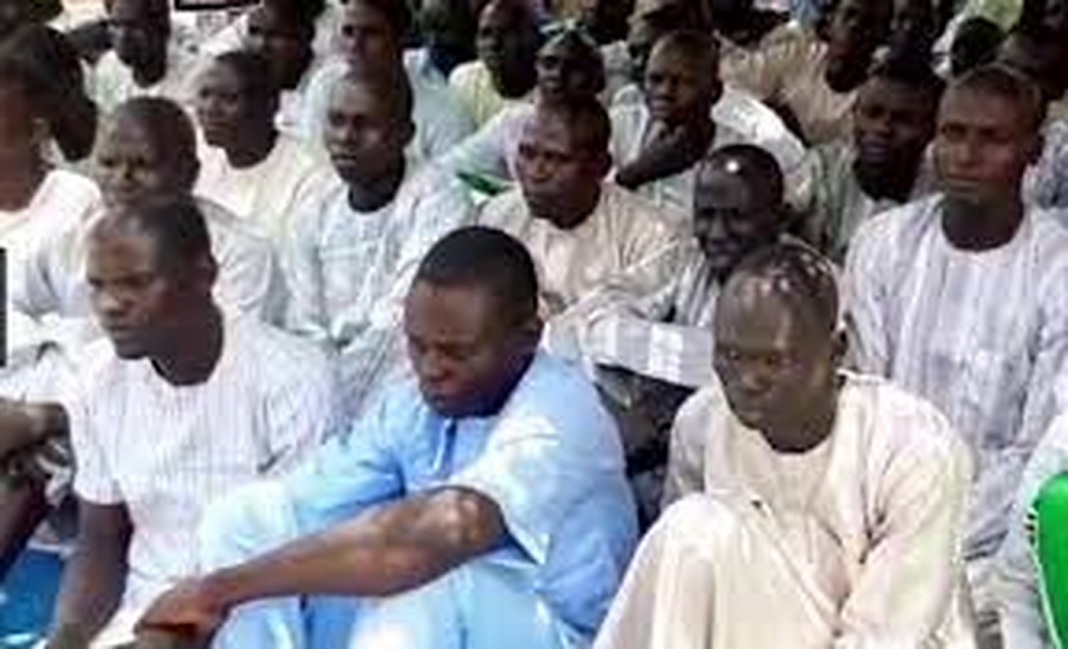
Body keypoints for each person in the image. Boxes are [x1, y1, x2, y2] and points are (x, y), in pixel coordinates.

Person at [136, 226, 638, 649]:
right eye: (418, 346)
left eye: (456, 352)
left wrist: (218, 589)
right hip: (428, 625)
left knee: (421, 584)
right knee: (244, 518)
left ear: (527, 336)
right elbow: (303, 508)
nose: (431, 368)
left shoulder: (560, 417)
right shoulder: (414, 403)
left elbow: (438, 535)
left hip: (558, 632)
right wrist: (213, 593)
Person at [596, 242, 975, 649]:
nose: (745, 380)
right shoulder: (703, 423)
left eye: (772, 361)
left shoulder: (914, 448)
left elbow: (888, 633)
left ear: (836, 350)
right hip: (758, 630)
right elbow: (680, 588)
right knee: (689, 531)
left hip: (895, 637)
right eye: (730, 355)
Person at [42, 196, 336, 648]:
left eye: (135, 283)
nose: (109, 305)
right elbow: (101, 539)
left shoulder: (292, 377)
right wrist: (67, 639)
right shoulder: (95, 379)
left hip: (259, 606)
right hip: (142, 609)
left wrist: (166, 639)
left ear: (204, 275)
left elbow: (294, 557)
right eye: (97, 286)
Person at [844, 64, 1068, 639]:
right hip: (875, 511)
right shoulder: (883, 244)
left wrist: (926, 538)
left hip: (996, 546)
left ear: (1034, 150)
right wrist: (886, 530)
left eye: (993, 139)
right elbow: (864, 404)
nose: (966, 155)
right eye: (953, 133)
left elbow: (1038, 454)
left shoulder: (1058, 271)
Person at [285, 69, 474, 417]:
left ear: (405, 134)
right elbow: (303, 322)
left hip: (413, 386)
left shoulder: (439, 197)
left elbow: (401, 321)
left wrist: (334, 402)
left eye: (364, 124)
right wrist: (316, 395)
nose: (345, 137)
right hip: (321, 389)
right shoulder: (315, 203)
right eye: (336, 121)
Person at [18, 97, 280, 327]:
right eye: (108, 163)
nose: (122, 178)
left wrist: (64, 337)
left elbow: (219, 351)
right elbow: (13, 314)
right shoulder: (69, 237)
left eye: (143, 164)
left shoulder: (241, 254)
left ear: (189, 173)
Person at [479, 96, 689, 360]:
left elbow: (620, 329)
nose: (535, 172)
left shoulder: (653, 234)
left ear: (601, 166)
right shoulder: (499, 215)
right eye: (527, 153)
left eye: (555, 159)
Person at [582, 145, 796, 392]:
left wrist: (641, 354)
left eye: (737, 217)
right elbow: (596, 317)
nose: (717, 232)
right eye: (706, 215)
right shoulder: (689, 257)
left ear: (781, 219)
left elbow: (747, 372)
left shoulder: (807, 290)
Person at [611, 30, 803, 214]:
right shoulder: (620, 125)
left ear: (715, 92)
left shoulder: (744, 145)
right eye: (655, 80)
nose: (664, 92)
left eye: (683, 82)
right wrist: (638, 171)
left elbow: (788, 206)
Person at [802, 50, 943, 262]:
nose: (883, 128)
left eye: (903, 120)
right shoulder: (817, 169)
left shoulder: (940, 201)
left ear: (931, 130)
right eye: (872, 113)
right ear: (854, 113)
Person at [300, 0, 475, 165]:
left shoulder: (445, 111)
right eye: (348, 32)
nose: (355, 44)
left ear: (401, 38)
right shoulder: (325, 84)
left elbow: (450, 181)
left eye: (371, 33)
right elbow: (311, 164)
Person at [440, 28, 606, 194]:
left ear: (596, 78)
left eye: (574, 67)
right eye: (549, 64)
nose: (557, 74)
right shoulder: (515, 120)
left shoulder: (613, 126)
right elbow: (451, 166)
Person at [193, 50, 330, 247]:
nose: (210, 108)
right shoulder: (197, 152)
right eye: (204, 94)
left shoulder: (310, 172)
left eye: (229, 99)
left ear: (270, 105)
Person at [723, 0, 894, 144]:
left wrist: (792, 136)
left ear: (883, 36)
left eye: (869, 23)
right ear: (830, 22)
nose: (855, 26)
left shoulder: (879, 95)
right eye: (849, 15)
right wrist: (767, 113)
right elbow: (730, 79)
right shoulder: (796, 54)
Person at [0, 24, 98, 164]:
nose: (28, 105)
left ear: (74, 79)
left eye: (34, 89)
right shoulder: (25, 151)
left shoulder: (119, 138)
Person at [89, 0, 197, 115]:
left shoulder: (196, 77)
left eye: (134, 26)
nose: (123, 36)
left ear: (163, 28)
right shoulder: (108, 68)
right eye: (115, 25)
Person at [449, 0, 542, 127]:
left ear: (531, 38)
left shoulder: (553, 94)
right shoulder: (463, 81)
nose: (494, 43)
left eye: (506, 33)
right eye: (485, 34)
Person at [240, 0, 321, 137]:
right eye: (254, 32)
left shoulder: (329, 84)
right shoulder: (240, 78)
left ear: (305, 36)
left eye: (274, 35)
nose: (261, 44)